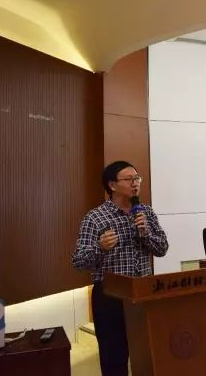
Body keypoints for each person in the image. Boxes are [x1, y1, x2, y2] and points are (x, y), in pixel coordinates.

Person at [71, 161, 168, 376]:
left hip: (144, 293)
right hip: (110, 297)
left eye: (137, 178)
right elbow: (78, 261)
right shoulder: (95, 218)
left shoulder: (146, 212)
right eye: (129, 179)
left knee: (148, 354)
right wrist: (100, 247)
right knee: (114, 359)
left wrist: (146, 233)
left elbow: (162, 249)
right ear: (112, 185)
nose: (135, 183)